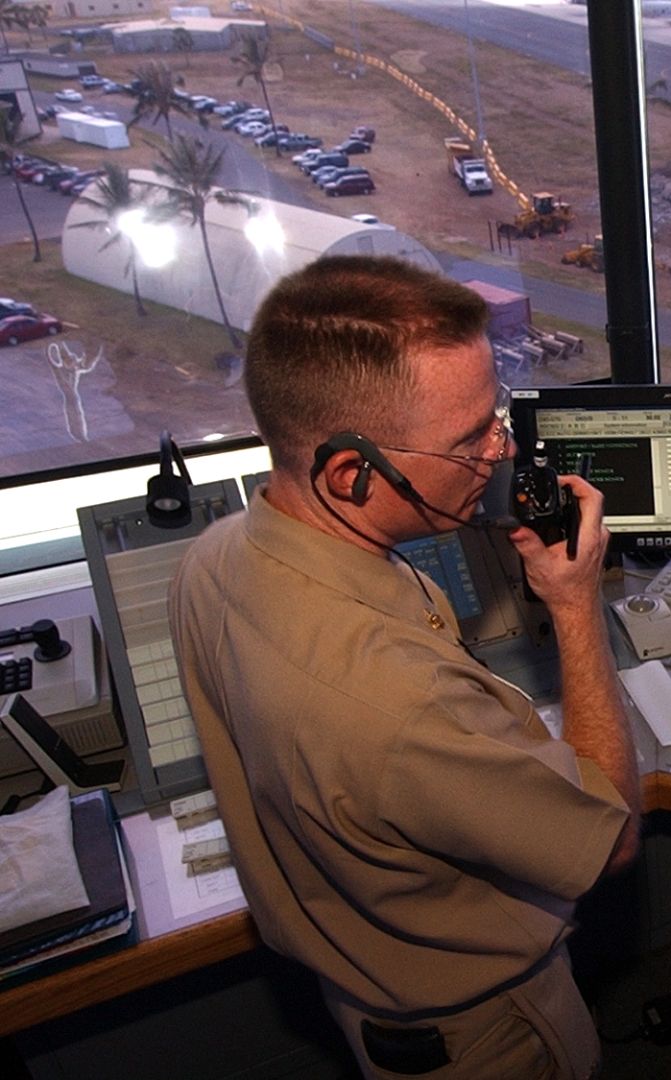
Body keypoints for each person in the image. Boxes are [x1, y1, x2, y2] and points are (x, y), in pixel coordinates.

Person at [170, 256, 643, 1079]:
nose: (503, 453)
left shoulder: (212, 560)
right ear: (351, 474)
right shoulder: (401, 706)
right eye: (470, 441)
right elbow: (611, 841)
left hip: (361, 991)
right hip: (489, 1033)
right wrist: (572, 603)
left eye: (496, 417)